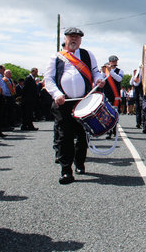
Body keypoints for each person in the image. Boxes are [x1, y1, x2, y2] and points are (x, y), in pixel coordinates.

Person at [44, 27, 104, 185]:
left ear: (81, 40)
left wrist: (98, 79)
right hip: (63, 103)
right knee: (65, 136)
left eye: (77, 37)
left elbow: (96, 72)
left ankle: (80, 162)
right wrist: (57, 94)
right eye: (71, 36)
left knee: (82, 135)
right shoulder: (56, 57)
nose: (74, 39)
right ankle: (66, 170)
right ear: (65, 38)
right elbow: (48, 79)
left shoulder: (87, 55)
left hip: (83, 102)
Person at [102, 55, 124, 140]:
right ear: (110, 62)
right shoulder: (105, 71)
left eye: (116, 61)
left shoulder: (120, 71)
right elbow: (102, 79)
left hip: (116, 95)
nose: (115, 62)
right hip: (107, 94)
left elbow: (119, 79)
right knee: (107, 113)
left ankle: (114, 130)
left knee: (115, 113)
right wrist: (104, 72)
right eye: (114, 61)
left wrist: (111, 72)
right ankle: (109, 132)